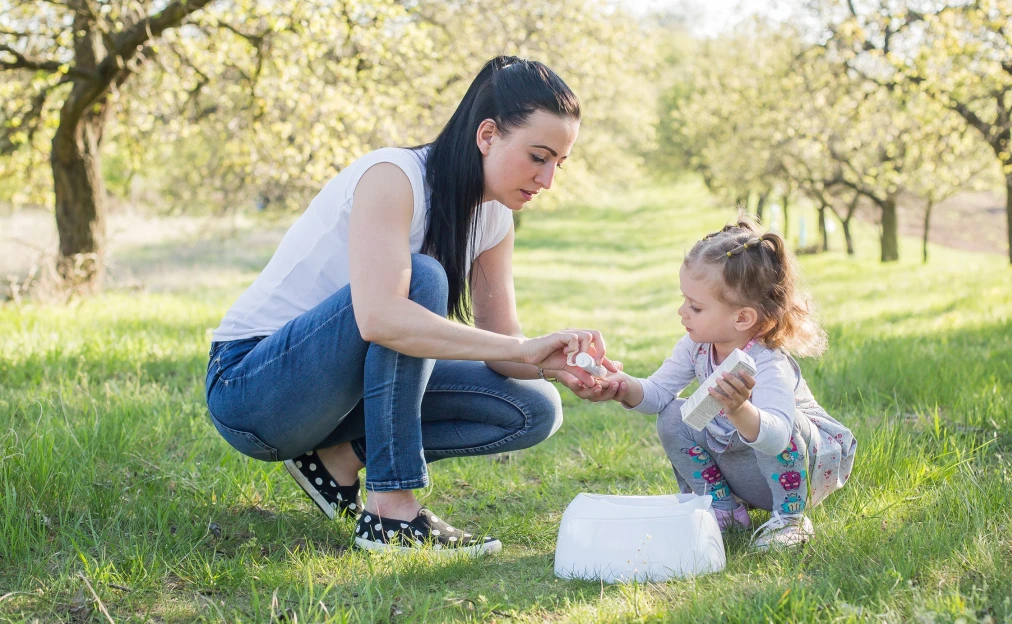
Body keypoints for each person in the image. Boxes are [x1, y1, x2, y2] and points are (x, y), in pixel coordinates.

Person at [205, 56, 619, 555]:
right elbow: (380, 318)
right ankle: (389, 513)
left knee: (533, 408)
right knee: (420, 277)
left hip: (333, 402)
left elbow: (503, 353)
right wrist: (521, 347)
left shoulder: (493, 222)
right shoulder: (395, 177)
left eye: (559, 163)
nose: (548, 179)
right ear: (487, 135)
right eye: (538, 156)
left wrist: (550, 361)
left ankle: (339, 459)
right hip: (252, 388)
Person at [602, 218, 856, 549]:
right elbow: (658, 394)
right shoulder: (697, 346)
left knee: (787, 420)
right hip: (743, 466)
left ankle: (791, 520)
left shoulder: (768, 363)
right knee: (673, 415)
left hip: (795, 472)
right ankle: (724, 510)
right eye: (684, 300)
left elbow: (778, 436)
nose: (682, 312)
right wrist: (620, 386)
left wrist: (739, 410)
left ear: (742, 318)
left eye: (695, 306)